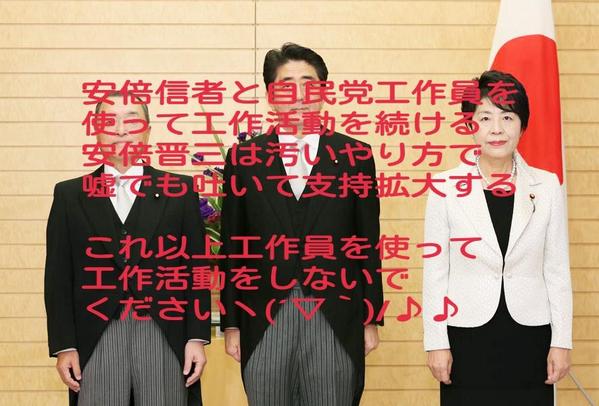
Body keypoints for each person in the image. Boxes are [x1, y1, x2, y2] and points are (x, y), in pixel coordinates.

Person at [219, 43, 384, 406]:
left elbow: (367, 242)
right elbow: (232, 245)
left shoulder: (355, 156)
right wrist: (231, 322)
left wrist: (370, 317)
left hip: (335, 313)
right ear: (270, 96)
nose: (298, 95)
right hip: (263, 314)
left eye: (309, 84)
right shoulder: (244, 159)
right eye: (286, 85)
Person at [44, 93, 211, 405]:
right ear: (97, 130)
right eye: (110, 121)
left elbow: (197, 269)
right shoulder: (69, 196)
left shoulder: (180, 191)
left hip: (164, 332)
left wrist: (196, 337)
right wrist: (65, 345)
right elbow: (58, 278)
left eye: (131, 121)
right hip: (95, 335)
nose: (121, 130)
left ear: (147, 131)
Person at [422, 70, 573, 405]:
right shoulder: (445, 187)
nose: (496, 129)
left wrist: (562, 341)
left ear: (522, 124)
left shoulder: (546, 186)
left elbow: (557, 270)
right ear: (470, 124)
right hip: (466, 335)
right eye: (485, 117)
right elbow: (435, 273)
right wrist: (436, 342)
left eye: (507, 117)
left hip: (531, 335)